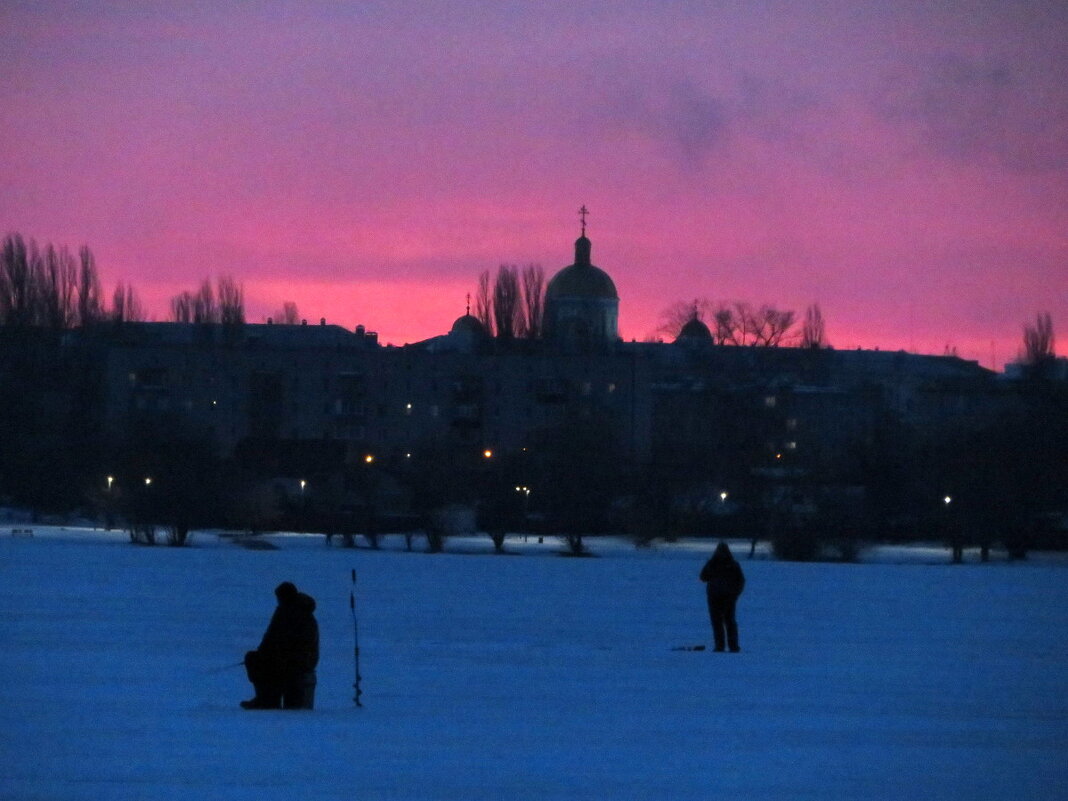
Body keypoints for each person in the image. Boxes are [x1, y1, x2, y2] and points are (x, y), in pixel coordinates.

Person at [241, 581, 319, 709]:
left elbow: (285, 641)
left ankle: (266, 699)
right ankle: (266, 698)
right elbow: (271, 638)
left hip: (298, 660)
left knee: (261, 662)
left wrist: (267, 653)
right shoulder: (287, 611)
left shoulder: (295, 613)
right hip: (289, 657)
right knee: (255, 659)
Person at [699, 542, 745, 652]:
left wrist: (735, 594)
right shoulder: (731, 564)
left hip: (723, 597)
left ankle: (724, 646)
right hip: (719, 597)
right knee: (724, 622)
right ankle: (728, 646)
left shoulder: (717, 564)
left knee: (723, 622)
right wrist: (736, 593)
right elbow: (703, 577)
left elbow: (703, 577)